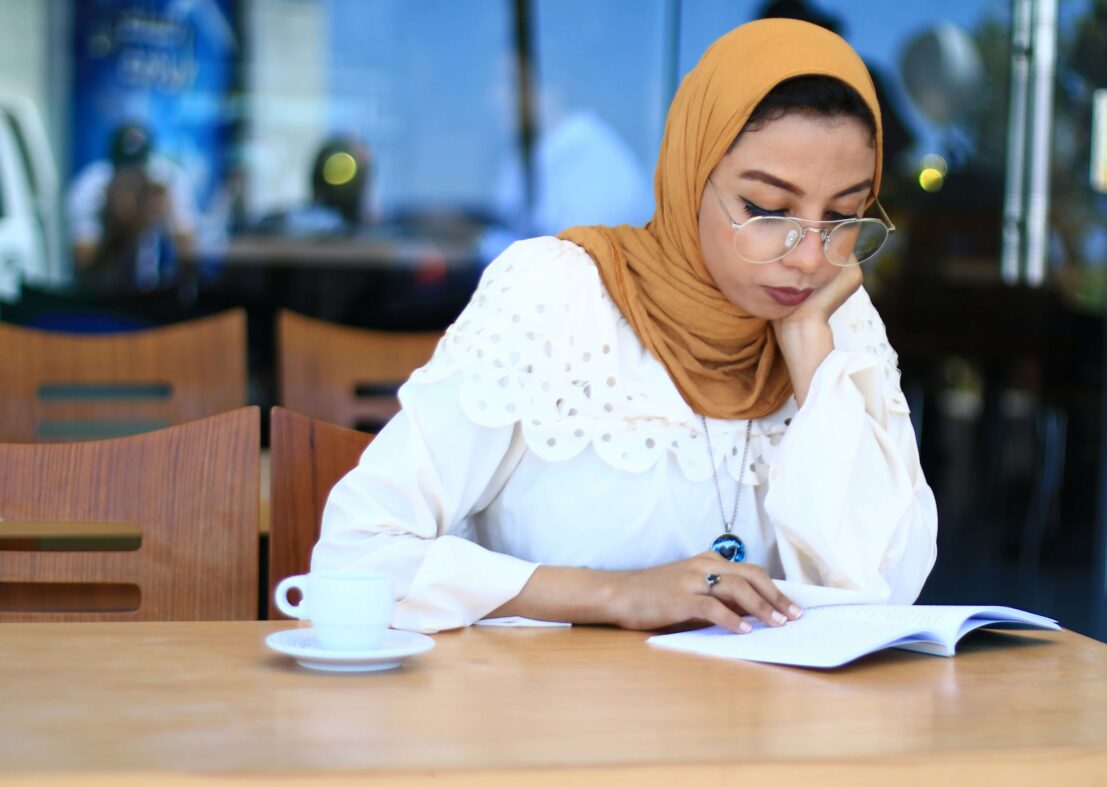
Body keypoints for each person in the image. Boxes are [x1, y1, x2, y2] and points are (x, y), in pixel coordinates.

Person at [314, 19, 938, 635]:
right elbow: (359, 553)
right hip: (547, 726)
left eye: (843, 217)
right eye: (768, 210)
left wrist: (811, 357)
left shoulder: (833, 319)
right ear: (691, 176)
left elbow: (882, 595)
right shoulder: (560, 296)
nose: (807, 258)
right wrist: (617, 595)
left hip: (753, 729)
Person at [67, 122, 199, 293]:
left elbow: (190, 260)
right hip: (101, 295)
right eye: (124, 173)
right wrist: (119, 226)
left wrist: (168, 215)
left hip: (152, 292)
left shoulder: (168, 180)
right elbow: (82, 267)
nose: (131, 184)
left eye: (137, 171)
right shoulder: (91, 187)